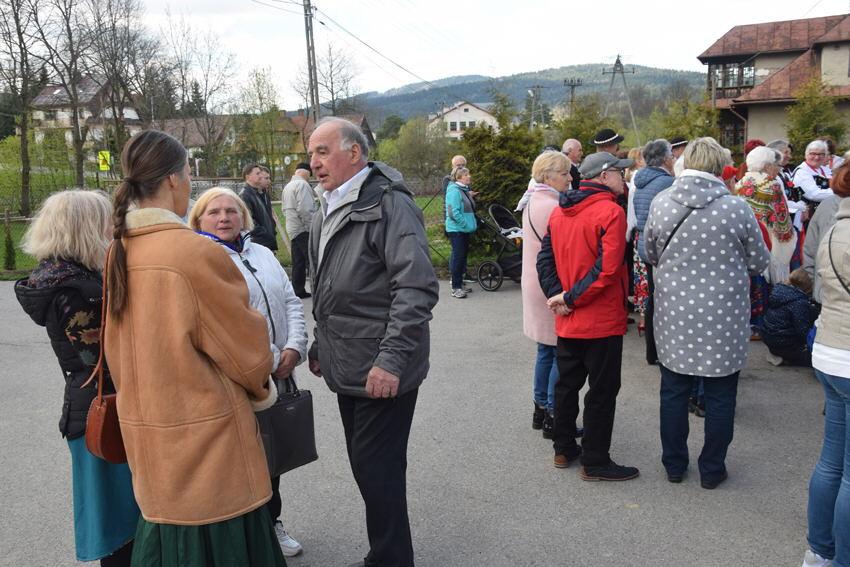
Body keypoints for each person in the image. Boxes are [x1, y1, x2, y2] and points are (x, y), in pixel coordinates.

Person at [102, 130, 285, 566]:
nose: (188, 183)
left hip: (147, 433)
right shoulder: (192, 252)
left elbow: (115, 348)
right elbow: (246, 353)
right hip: (208, 442)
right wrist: (262, 390)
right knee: (221, 548)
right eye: (187, 173)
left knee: (169, 544)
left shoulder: (119, 249)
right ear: (172, 179)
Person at [305, 117, 439, 567]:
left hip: (382, 365)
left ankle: (390, 559)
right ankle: (388, 553)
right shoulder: (326, 206)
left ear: (355, 153)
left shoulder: (389, 204)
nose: (314, 162)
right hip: (348, 360)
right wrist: (321, 343)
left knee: (377, 469)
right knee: (369, 467)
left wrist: (392, 359)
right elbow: (328, 286)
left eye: (323, 151)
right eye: (311, 153)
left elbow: (416, 287)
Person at [15, 190, 139, 566]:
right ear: (86, 227)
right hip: (106, 412)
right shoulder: (76, 290)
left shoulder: (61, 277)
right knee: (123, 529)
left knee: (119, 524)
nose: (114, 229)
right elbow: (102, 359)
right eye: (106, 221)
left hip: (89, 408)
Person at [188, 186, 309, 558]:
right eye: (214, 212)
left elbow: (290, 300)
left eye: (231, 210)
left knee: (273, 454)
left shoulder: (262, 253)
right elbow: (223, 324)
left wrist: (294, 346)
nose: (224, 217)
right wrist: (269, 357)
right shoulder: (201, 259)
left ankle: (272, 522)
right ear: (198, 219)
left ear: (244, 216)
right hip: (237, 377)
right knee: (242, 458)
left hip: (279, 370)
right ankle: (246, 536)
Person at [644, 137, 771, 489]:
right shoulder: (736, 208)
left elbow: (649, 252)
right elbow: (759, 261)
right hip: (723, 318)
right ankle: (712, 469)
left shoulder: (661, 202)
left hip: (675, 314)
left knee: (673, 391)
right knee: (720, 395)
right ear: (718, 167)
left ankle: (674, 464)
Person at [537, 151, 640, 481]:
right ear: (605, 175)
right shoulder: (610, 211)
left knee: (567, 385)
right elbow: (608, 269)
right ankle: (594, 460)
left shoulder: (560, 210)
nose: (624, 177)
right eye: (620, 172)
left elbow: (544, 261)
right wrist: (566, 297)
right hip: (599, 319)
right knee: (602, 391)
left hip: (570, 318)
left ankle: (563, 448)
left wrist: (560, 297)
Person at [801, 161, 850, 567]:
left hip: (830, 349)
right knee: (847, 471)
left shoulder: (834, 226)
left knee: (832, 460)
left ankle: (819, 551)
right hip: (846, 354)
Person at [521, 150, 574, 439]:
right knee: (557, 350)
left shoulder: (533, 199)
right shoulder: (553, 206)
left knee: (545, 349)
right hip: (549, 283)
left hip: (534, 281)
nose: (569, 178)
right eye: (564, 173)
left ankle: (540, 407)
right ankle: (554, 412)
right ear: (547, 176)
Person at [736, 146, 798, 337]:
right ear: (766, 166)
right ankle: (761, 324)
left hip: (744, 241)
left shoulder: (740, 183)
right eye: (775, 164)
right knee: (764, 282)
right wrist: (789, 236)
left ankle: (747, 323)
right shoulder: (772, 186)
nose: (778, 168)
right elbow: (782, 221)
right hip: (767, 241)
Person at [633, 139, 675, 363]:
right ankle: (662, 350)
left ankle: (652, 351)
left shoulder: (641, 181)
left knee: (653, 297)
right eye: (672, 155)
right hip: (661, 245)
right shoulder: (667, 182)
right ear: (665, 159)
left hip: (644, 243)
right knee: (663, 298)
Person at [758, 268, 817, 367]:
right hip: (783, 342)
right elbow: (802, 330)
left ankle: (776, 353)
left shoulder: (778, 292)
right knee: (815, 359)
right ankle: (786, 357)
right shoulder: (798, 302)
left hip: (768, 337)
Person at [282, 163, 316, 298]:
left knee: (298, 261)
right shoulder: (302, 185)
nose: (309, 178)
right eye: (310, 175)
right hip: (303, 228)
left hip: (292, 228)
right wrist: (312, 226)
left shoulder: (288, 186)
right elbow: (305, 209)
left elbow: (284, 209)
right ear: (306, 172)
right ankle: (318, 289)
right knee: (311, 260)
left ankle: (298, 290)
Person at [445, 166, 477, 298]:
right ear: (459, 178)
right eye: (466, 175)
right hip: (457, 230)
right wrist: (465, 224)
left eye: (468, 174)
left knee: (462, 258)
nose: (469, 176)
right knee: (458, 258)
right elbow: (453, 213)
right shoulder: (454, 191)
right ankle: (456, 288)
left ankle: (460, 284)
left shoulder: (463, 190)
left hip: (463, 230)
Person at [240, 163, 279, 252]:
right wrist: (265, 233)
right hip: (258, 243)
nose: (261, 176)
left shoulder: (259, 193)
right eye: (257, 173)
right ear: (248, 177)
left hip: (266, 242)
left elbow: (266, 216)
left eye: (260, 173)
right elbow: (248, 221)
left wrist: (271, 229)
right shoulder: (245, 195)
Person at [793, 140, 834, 220]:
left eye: (821, 154)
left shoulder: (824, 170)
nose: (817, 157)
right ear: (806, 155)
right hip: (810, 217)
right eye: (813, 154)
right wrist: (840, 192)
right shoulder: (802, 171)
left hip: (826, 214)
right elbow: (814, 194)